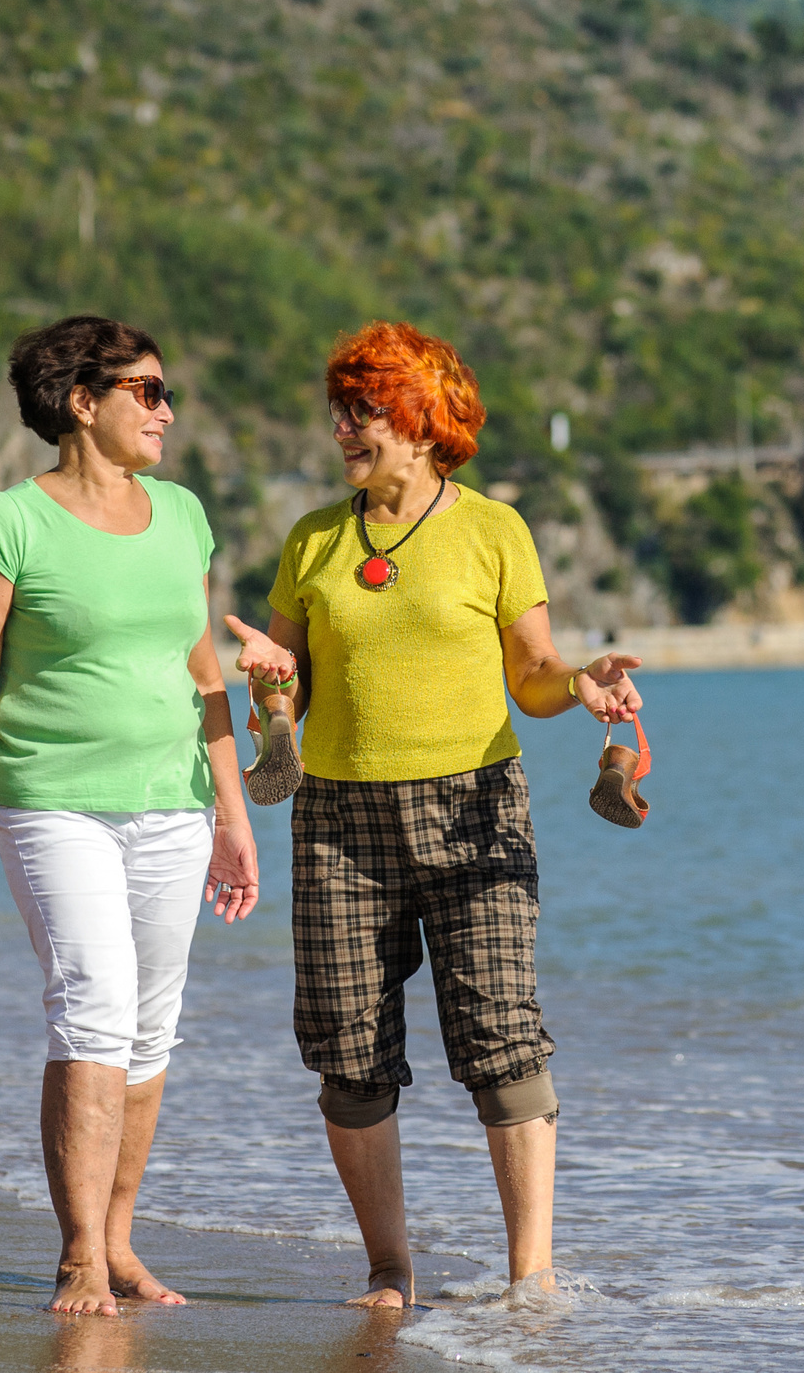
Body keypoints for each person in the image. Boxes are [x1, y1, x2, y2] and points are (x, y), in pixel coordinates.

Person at [0, 314, 297, 1316]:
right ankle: (79, 1254)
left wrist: (233, 809)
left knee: (150, 1027)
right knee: (92, 999)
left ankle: (122, 1244)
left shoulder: (181, 516)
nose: (166, 411)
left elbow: (199, 668)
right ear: (80, 402)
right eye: (147, 391)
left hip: (173, 805)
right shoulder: (9, 524)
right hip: (53, 801)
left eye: (167, 392)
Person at [251, 320, 643, 1307]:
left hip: (477, 810)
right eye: (340, 409)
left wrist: (584, 683)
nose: (345, 425)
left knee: (501, 1040)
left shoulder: (494, 529)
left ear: (425, 419)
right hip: (338, 820)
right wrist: (266, 693)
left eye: (367, 408)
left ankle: (531, 1277)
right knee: (347, 1053)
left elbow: (533, 675)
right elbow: (285, 687)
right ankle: (389, 1269)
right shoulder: (313, 539)